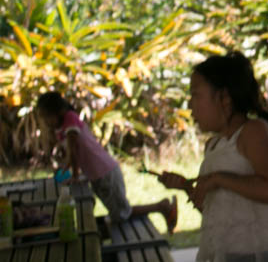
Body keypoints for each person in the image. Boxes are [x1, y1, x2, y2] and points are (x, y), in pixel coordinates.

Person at [158, 53, 268, 262]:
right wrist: (187, 187)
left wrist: (218, 179)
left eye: (195, 95)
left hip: (264, 251)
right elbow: (217, 212)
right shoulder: (213, 146)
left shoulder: (253, 132)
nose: (190, 105)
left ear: (224, 98)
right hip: (232, 251)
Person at [35, 91, 178, 232]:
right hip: (98, 175)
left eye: (46, 117)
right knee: (119, 214)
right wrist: (69, 170)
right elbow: (75, 153)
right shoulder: (65, 124)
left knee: (122, 215)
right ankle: (161, 207)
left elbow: (73, 152)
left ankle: (162, 206)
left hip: (105, 174)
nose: (45, 122)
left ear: (58, 111)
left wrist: (74, 176)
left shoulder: (70, 119)